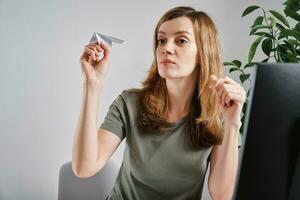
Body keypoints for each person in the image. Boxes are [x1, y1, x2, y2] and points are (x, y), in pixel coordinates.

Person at [72, 6, 246, 200]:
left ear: (203, 53)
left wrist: (232, 124)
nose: (166, 48)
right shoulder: (129, 103)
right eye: (161, 40)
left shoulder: (220, 116)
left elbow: (222, 195)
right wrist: (92, 86)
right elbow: (83, 168)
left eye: (181, 41)